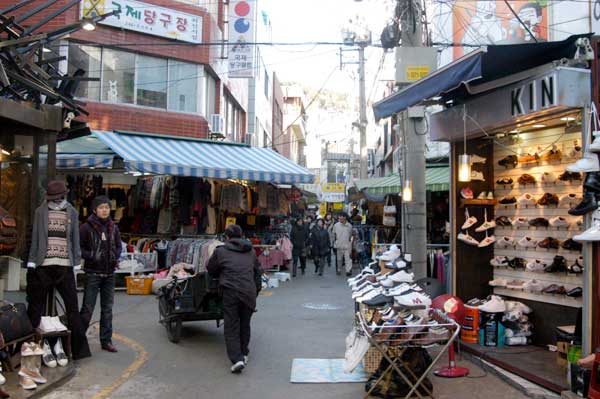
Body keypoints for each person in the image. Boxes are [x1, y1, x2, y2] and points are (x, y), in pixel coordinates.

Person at [26, 180, 91, 360]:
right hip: (43, 264)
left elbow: (75, 239)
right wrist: (32, 261)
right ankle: (30, 349)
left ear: (63, 195)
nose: (54, 201)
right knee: (35, 308)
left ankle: (78, 351)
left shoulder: (72, 212)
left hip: (65, 265)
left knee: (72, 309)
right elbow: (36, 237)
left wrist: (76, 261)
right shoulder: (40, 211)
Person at [207, 225, 262, 374]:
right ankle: (243, 353)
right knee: (245, 324)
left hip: (231, 291)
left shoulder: (221, 251)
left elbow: (211, 269)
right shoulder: (250, 251)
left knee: (231, 326)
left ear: (227, 237)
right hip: (249, 292)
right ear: (242, 235)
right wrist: (256, 290)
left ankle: (237, 359)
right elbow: (258, 272)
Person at [79, 196, 122, 353]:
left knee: (107, 309)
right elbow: (79, 248)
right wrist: (92, 255)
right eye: (101, 207)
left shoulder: (113, 227)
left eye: (107, 207)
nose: (104, 210)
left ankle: (106, 340)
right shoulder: (86, 227)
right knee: (87, 309)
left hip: (109, 273)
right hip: (93, 273)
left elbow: (118, 246)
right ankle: (78, 340)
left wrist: (115, 256)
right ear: (95, 210)